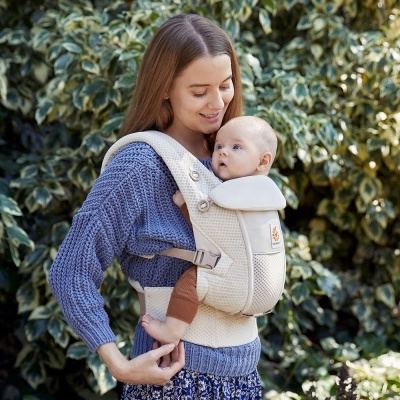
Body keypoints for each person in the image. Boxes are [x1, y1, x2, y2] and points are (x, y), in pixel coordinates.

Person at [49, 14, 263, 399]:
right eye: (199, 91)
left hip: (244, 375)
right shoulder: (141, 166)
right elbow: (71, 270)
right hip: (176, 378)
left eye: (225, 85)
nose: (218, 102)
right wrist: (118, 364)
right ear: (165, 88)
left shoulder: (234, 159)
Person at [141, 115, 278, 346]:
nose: (223, 152)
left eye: (236, 147)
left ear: (263, 161)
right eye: (219, 146)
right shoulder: (267, 194)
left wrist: (185, 205)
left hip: (237, 279)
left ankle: (172, 329)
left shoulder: (235, 193)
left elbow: (206, 227)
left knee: (192, 280)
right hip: (261, 287)